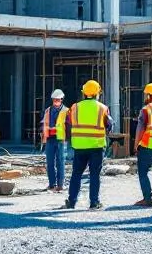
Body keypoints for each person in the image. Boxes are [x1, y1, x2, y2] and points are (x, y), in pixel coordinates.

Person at [61, 79, 110, 210]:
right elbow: (109, 125)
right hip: (97, 146)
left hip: (80, 146)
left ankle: (71, 201)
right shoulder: (102, 108)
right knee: (94, 174)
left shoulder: (75, 107)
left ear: (84, 93)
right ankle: (94, 203)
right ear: (97, 93)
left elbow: (69, 123)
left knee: (76, 173)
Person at [41, 89, 67, 192]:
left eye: (58, 100)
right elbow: (44, 124)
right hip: (49, 139)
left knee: (60, 162)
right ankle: (52, 184)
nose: (56, 101)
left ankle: (60, 185)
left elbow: (68, 125)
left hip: (60, 139)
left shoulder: (66, 111)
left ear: (61, 100)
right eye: (54, 100)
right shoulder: (48, 110)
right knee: (50, 162)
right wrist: (43, 138)